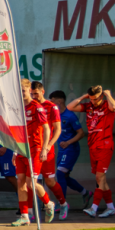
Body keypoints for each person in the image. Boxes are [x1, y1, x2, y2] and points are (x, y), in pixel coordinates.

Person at [67, 86, 115, 218]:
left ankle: (94, 208)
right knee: (102, 179)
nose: (93, 102)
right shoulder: (89, 106)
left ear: (101, 96)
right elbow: (70, 107)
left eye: (95, 99)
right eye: (91, 99)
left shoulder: (107, 104)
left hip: (105, 145)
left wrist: (108, 95)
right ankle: (111, 207)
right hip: (93, 146)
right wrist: (83, 97)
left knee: (99, 177)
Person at [11, 79, 56, 227]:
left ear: (29, 90)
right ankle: (24, 216)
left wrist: (44, 148)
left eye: (23, 91)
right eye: (19, 91)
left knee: (31, 183)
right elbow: (16, 131)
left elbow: (47, 129)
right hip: (21, 150)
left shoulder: (37, 107)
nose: (21, 94)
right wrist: (14, 151)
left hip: (35, 149)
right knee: (20, 182)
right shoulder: (17, 108)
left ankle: (49, 204)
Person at [30, 81, 70, 220]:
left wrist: (48, 145)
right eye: (32, 93)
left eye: (36, 93)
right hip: (31, 148)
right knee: (29, 181)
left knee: (49, 181)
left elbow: (57, 129)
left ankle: (63, 204)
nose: (33, 96)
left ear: (43, 92)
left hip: (46, 150)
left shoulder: (52, 107)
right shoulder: (29, 106)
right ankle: (30, 212)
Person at [49, 90, 91, 209]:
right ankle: (85, 193)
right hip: (62, 150)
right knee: (64, 176)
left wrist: (68, 142)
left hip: (71, 149)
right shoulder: (55, 115)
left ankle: (62, 204)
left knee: (60, 174)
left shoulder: (70, 115)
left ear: (60, 101)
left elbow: (81, 133)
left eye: (53, 102)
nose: (51, 104)